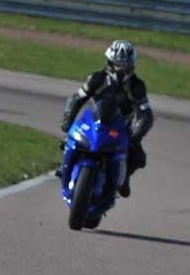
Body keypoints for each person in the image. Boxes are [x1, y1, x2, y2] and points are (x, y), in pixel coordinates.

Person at [60, 40, 153, 198]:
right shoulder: (97, 78)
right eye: (118, 64)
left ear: (132, 65)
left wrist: (136, 136)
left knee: (138, 157)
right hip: (94, 122)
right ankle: (66, 171)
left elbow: (145, 114)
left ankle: (124, 179)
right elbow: (77, 99)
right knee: (68, 142)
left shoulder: (137, 86)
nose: (121, 69)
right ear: (110, 62)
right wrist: (67, 121)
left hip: (121, 127)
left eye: (125, 65)